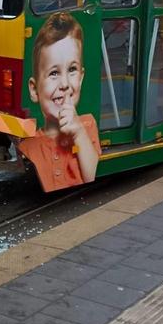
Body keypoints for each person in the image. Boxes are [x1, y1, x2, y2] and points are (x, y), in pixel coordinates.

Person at [18, 11, 100, 193]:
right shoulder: (28, 145)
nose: (64, 84)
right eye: (53, 73)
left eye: (72, 69)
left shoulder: (86, 125)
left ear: (81, 78)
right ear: (34, 89)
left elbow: (92, 177)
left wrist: (78, 132)